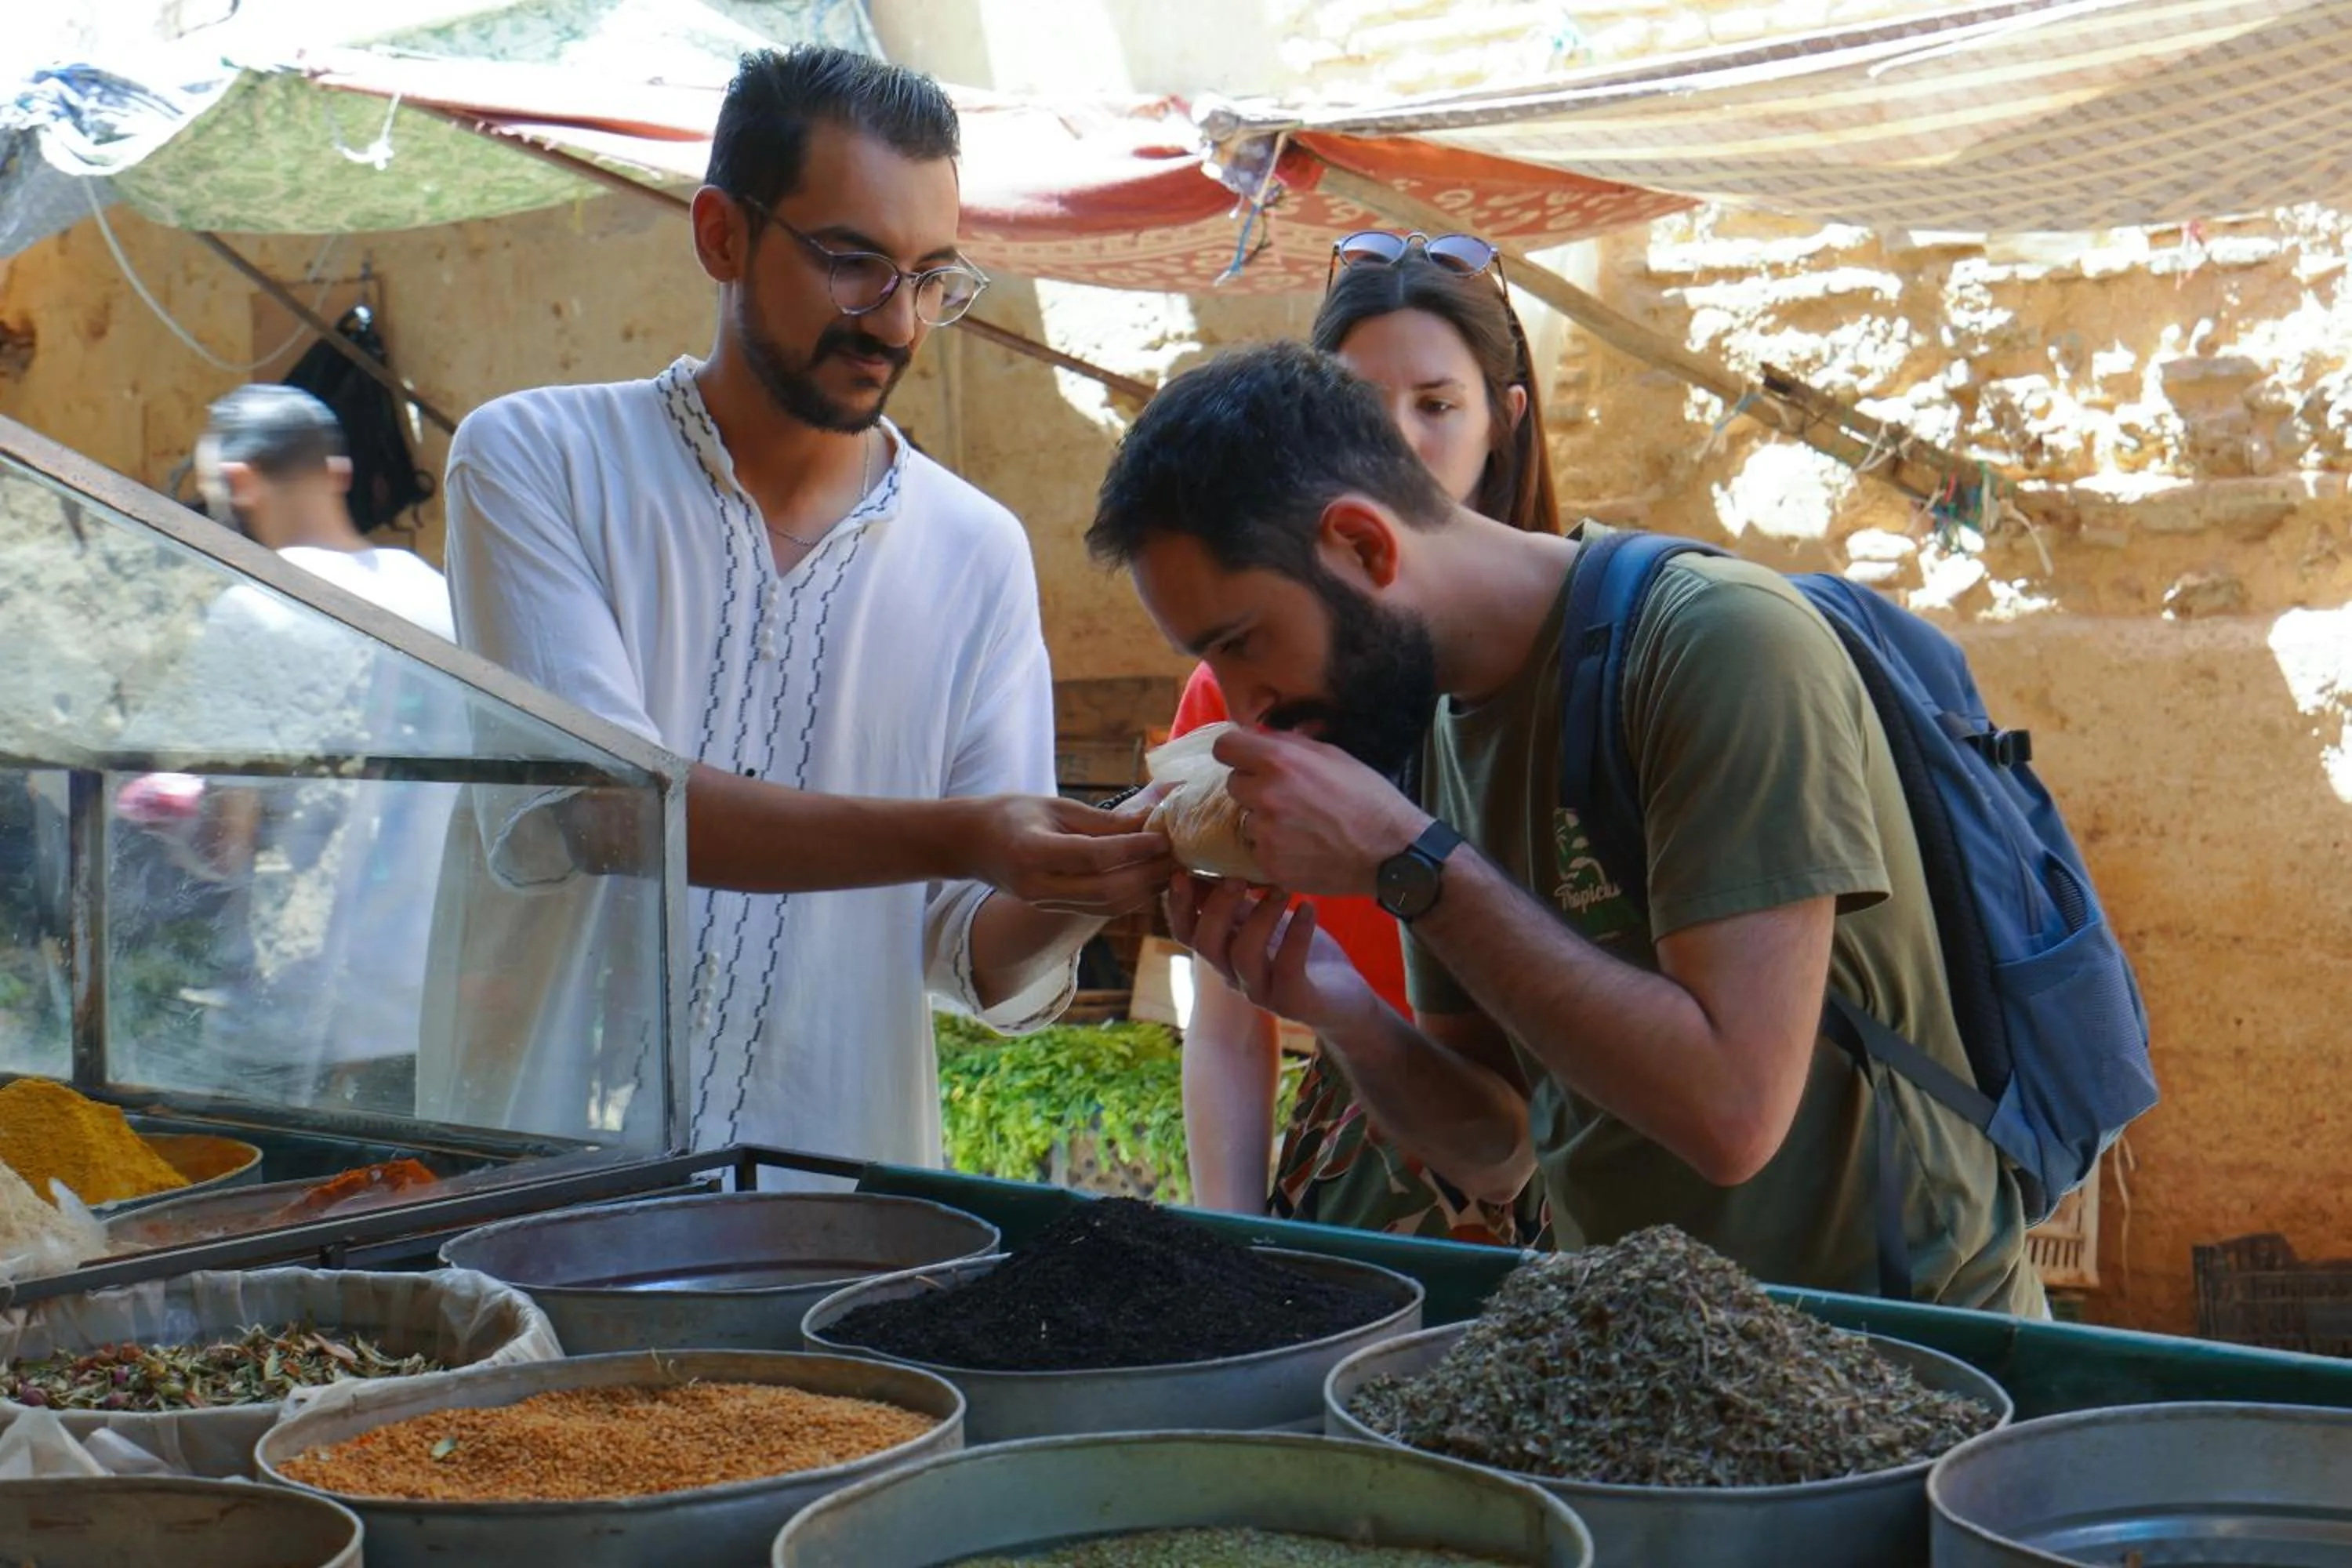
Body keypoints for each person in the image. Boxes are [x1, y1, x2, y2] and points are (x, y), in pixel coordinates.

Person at [1089, 341, 2043, 1314]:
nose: (1244, 710)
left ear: (1365, 546)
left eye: (1242, 644)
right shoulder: (1433, 725)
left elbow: (1732, 1113)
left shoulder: (1718, 644)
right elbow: (1498, 1154)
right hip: (1648, 1355)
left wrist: (1408, 860)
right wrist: (1339, 1006)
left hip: (1897, 1352)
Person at [429, 46, 1168, 1167]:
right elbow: (607, 808)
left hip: (838, 1224)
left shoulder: (975, 553)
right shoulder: (536, 462)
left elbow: (969, 952)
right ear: (721, 232)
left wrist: (1110, 865)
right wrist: (967, 833)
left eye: (931, 278)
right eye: (853, 262)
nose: (898, 324)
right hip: (550, 1199)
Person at [1177, 234, 1554, 1245]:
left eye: (1437, 405)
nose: (1396, 448)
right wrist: (1233, 1244)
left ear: (1502, 423)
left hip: (1592, 1153)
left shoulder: (1587, 665)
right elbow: (1226, 1014)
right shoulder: (1239, 689)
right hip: (1368, 1153)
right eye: (1356, 409)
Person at [121, 384, 457, 1111]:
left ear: (237, 483)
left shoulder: (256, 610)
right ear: (336, 473)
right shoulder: (431, 591)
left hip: (310, 1021)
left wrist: (165, 810)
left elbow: (227, 841)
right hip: (432, 996)